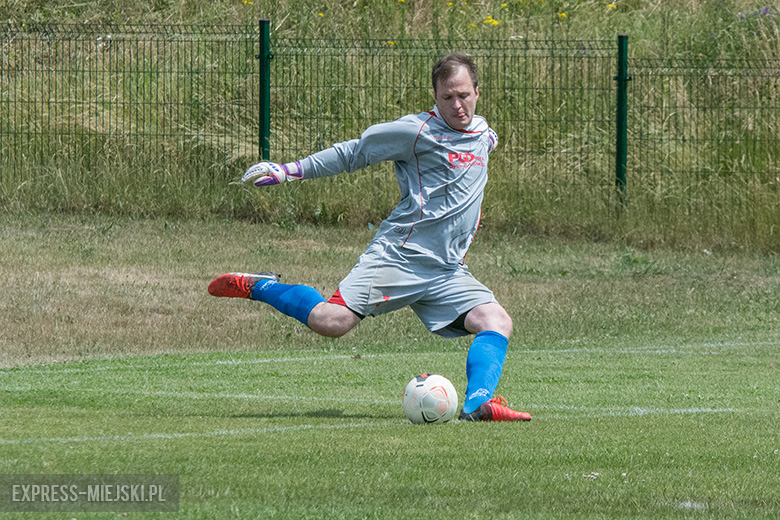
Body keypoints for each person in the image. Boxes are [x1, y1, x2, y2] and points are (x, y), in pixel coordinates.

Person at [209, 53, 531, 422]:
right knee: (331, 323)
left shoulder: (481, 132)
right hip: (400, 256)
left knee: (496, 320)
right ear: (435, 96)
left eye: (463, 95)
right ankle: (261, 286)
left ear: (477, 91)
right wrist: (289, 171)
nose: (457, 105)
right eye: (447, 98)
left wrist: (486, 140)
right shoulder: (416, 132)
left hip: (446, 270)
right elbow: (354, 152)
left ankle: (477, 406)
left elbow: (480, 142)